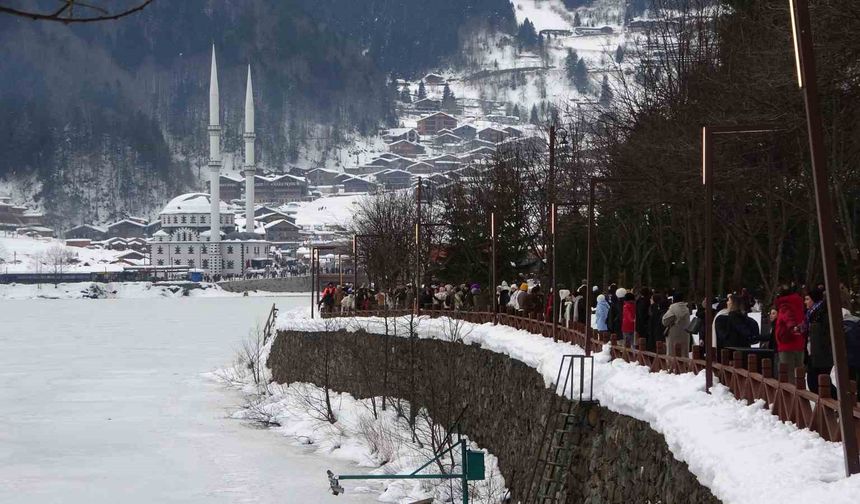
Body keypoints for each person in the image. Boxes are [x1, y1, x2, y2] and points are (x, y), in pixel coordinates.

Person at [805, 287, 835, 395]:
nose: (805, 302)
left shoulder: (822, 313)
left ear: (814, 299)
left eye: (807, 299)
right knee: (814, 382)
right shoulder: (811, 314)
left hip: (822, 354)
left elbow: (825, 334)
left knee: (821, 383)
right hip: (813, 352)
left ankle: (838, 401)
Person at [774, 287, 806, 374]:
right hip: (799, 343)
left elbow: (788, 318)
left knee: (788, 375)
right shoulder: (798, 304)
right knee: (799, 374)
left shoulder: (785, 305)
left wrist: (792, 327)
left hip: (787, 343)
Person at [662, 291, 691, 356]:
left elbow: (665, 321)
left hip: (673, 335)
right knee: (683, 354)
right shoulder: (686, 309)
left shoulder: (673, 309)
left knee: (673, 355)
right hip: (685, 335)